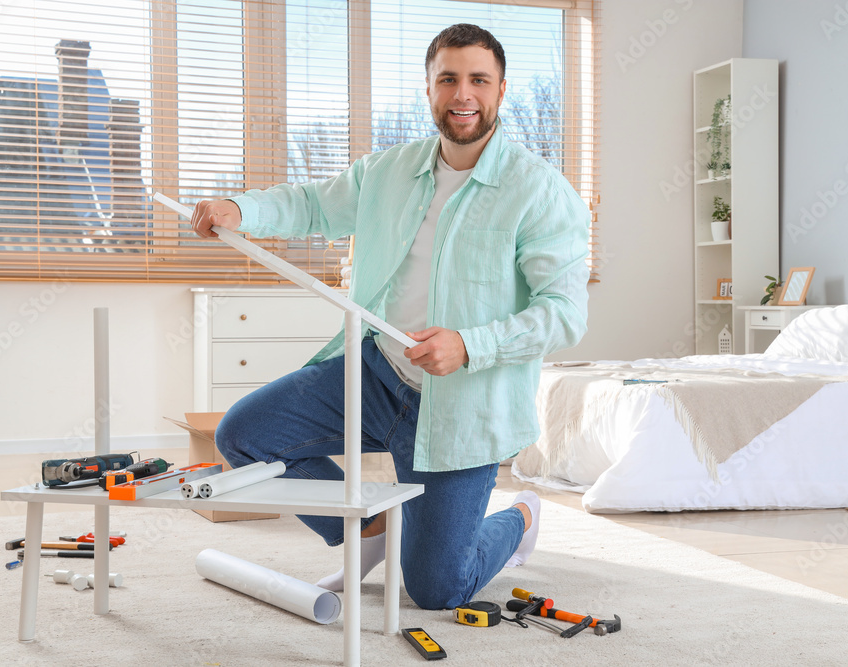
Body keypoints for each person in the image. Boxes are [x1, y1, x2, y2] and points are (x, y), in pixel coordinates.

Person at [190, 23, 589, 610]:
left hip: (462, 407)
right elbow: (311, 204)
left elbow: (564, 315)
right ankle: (374, 531)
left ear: (501, 89)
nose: (463, 95)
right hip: (378, 375)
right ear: (428, 89)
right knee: (244, 434)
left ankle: (519, 519)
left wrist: (469, 345)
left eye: (478, 80)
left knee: (435, 590)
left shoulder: (539, 191)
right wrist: (239, 207)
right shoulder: (388, 171)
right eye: (448, 79)